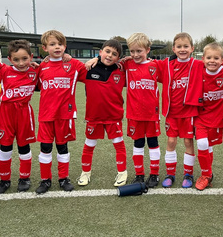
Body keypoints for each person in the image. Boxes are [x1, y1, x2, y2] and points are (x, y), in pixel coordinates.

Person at [36, 30, 86, 194]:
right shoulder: (41, 67)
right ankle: (45, 179)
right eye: (52, 44)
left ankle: (63, 178)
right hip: (46, 115)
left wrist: (95, 58)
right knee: (45, 147)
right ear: (45, 48)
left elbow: (91, 71)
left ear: (65, 46)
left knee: (62, 146)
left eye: (60, 44)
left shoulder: (74, 65)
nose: (57, 47)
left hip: (64, 115)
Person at [77, 39, 127, 187]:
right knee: (89, 144)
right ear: (100, 52)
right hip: (94, 117)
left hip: (114, 116)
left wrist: (128, 59)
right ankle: (85, 173)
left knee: (118, 144)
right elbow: (69, 65)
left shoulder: (121, 71)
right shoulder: (88, 69)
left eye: (114, 54)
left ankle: (122, 172)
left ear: (119, 58)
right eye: (107, 52)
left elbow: (138, 63)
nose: (110, 55)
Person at [158, 32, 204, 188]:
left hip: (189, 113)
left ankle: (188, 174)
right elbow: (146, 62)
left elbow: (218, 63)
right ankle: (170, 174)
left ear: (192, 48)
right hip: (172, 113)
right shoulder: (167, 64)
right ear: (173, 48)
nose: (182, 49)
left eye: (186, 46)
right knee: (171, 141)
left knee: (188, 141)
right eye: (179, 46)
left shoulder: (197, 64)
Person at [194, 42, 223, 190]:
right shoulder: (197, 71)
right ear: (203, 59)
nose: (212, 61)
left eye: (216, 58)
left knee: (209, 146)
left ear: (222, 60)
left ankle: (209, 173)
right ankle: (205, 174)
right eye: (208, 57)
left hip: (218, 117)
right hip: (200, 116)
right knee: (201, 144)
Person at [0, 40, 38, 194]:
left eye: (25, 59)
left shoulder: (36, 71)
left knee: (24, 146)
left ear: (31, 56)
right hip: (5, 113)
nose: (21, 63)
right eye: (16, 59)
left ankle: (24, 178)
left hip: (24, 113)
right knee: (5, 147)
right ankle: (4, 180)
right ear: (9, 59)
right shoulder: (4, 71)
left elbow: (54, 66)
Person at [124, 33, 161, 188]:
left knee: (153, 143)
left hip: (152, 114)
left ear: (148, 50)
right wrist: (95, 59)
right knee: (138, 143)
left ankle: (154, 174)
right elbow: (108, 61)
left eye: (139, 51)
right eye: (132, 51)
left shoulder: (155, 66)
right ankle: (139, 174)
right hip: (134, 115)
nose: (135, 55)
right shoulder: (127, 64)